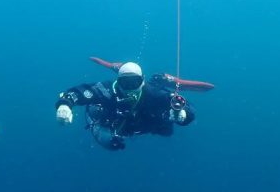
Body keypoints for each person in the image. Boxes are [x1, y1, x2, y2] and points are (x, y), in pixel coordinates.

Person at [55, 60, 211, 151]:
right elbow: (83, 91)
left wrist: (183, 115)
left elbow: (187, 107)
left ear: (142, 81)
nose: (130, 88)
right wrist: (65, 104)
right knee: (106, 134)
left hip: (143, 124)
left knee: (166, 128)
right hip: (112, 123)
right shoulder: (108, 90)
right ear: (118, 81)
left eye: (134, 83)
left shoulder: (154, 93)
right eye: (125, 83)